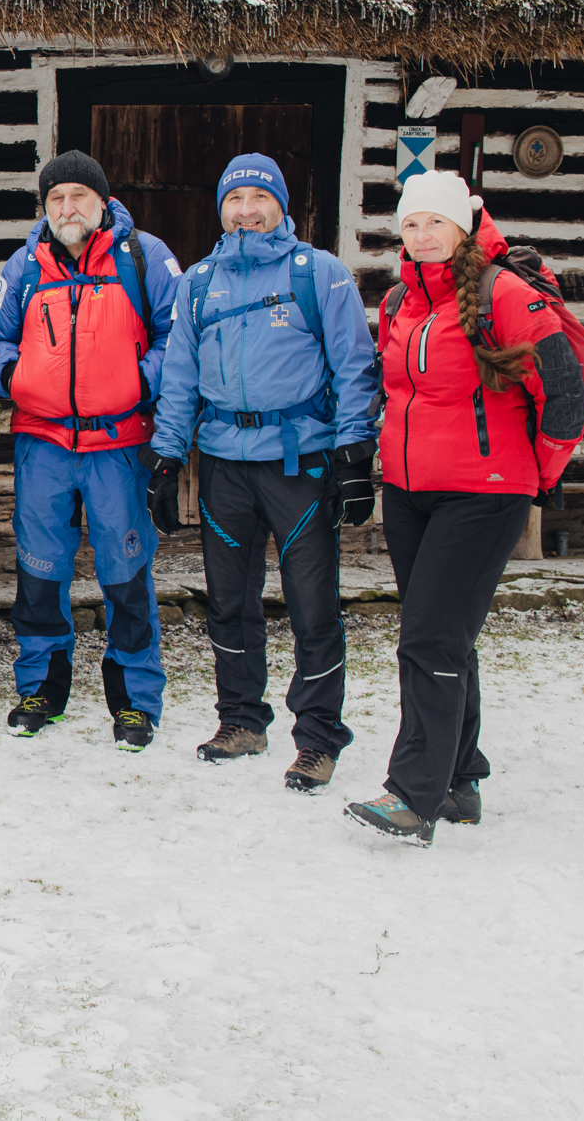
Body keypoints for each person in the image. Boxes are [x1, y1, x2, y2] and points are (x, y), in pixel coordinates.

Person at [346, 172, 584, 844]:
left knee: (426, 638)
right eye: (412, 224)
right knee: (446, 636)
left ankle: (412, 794)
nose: (422, 236)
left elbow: (565, 391)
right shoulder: (401, 299)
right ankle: (460, 778)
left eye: (436, 223)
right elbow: (390, 391)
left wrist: (534, 473)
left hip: (485, 494)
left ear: (463, 228)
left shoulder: (502, 292)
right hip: (410, 493)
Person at [147, 154, 381, 791]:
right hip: (224, 465)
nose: (246, 209)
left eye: (258, 196)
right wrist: (167, 457)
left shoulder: (318, 273)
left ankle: (318, 738)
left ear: (282, 204)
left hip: (299, 465)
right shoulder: (199, 282)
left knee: (312, 607)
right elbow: (180, 379)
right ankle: (241, 719)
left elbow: (355, 364)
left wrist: (356, 454)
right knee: (228, 603)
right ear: (220, 209)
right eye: (234, 198)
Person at [0, 151, 181, 751]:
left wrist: (141, 383)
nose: (67, 209)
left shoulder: (144, 257)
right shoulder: (25, 265)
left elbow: (178, 336)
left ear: (102, 201)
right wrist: (14, 376)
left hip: (119, 443)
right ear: (44, 208)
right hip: (43, 443)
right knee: (40, 570)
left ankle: (133, 697)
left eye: (78, 196)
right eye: (56, 199)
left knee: (125, 572)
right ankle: (42, 686)